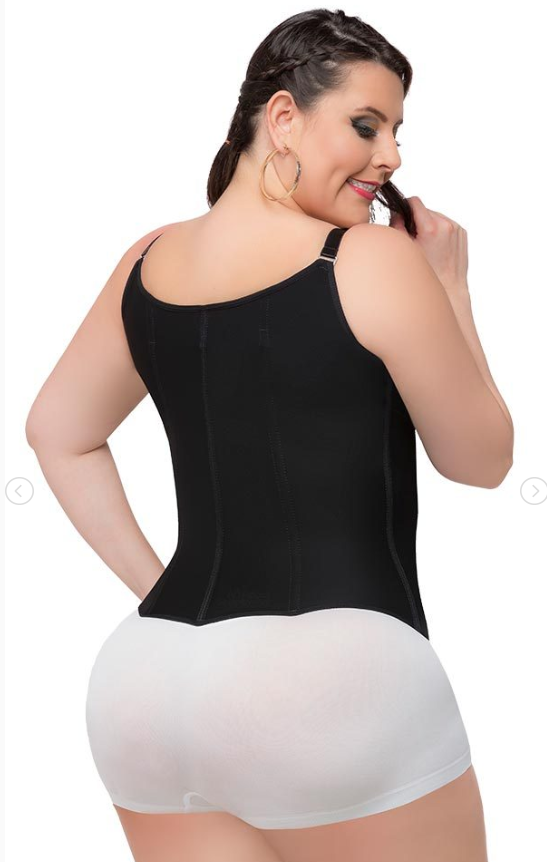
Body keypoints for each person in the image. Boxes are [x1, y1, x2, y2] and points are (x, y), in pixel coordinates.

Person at [25, 8, 513, 862]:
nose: (391, 157)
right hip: (333, 685)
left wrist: (163, 593)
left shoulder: (145, 258)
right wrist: (450, 287)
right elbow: (480, 459)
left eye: (397, 132)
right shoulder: (369, 258)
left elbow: (56, 432)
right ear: (282, 117)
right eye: (365, 125)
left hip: (148, 684)